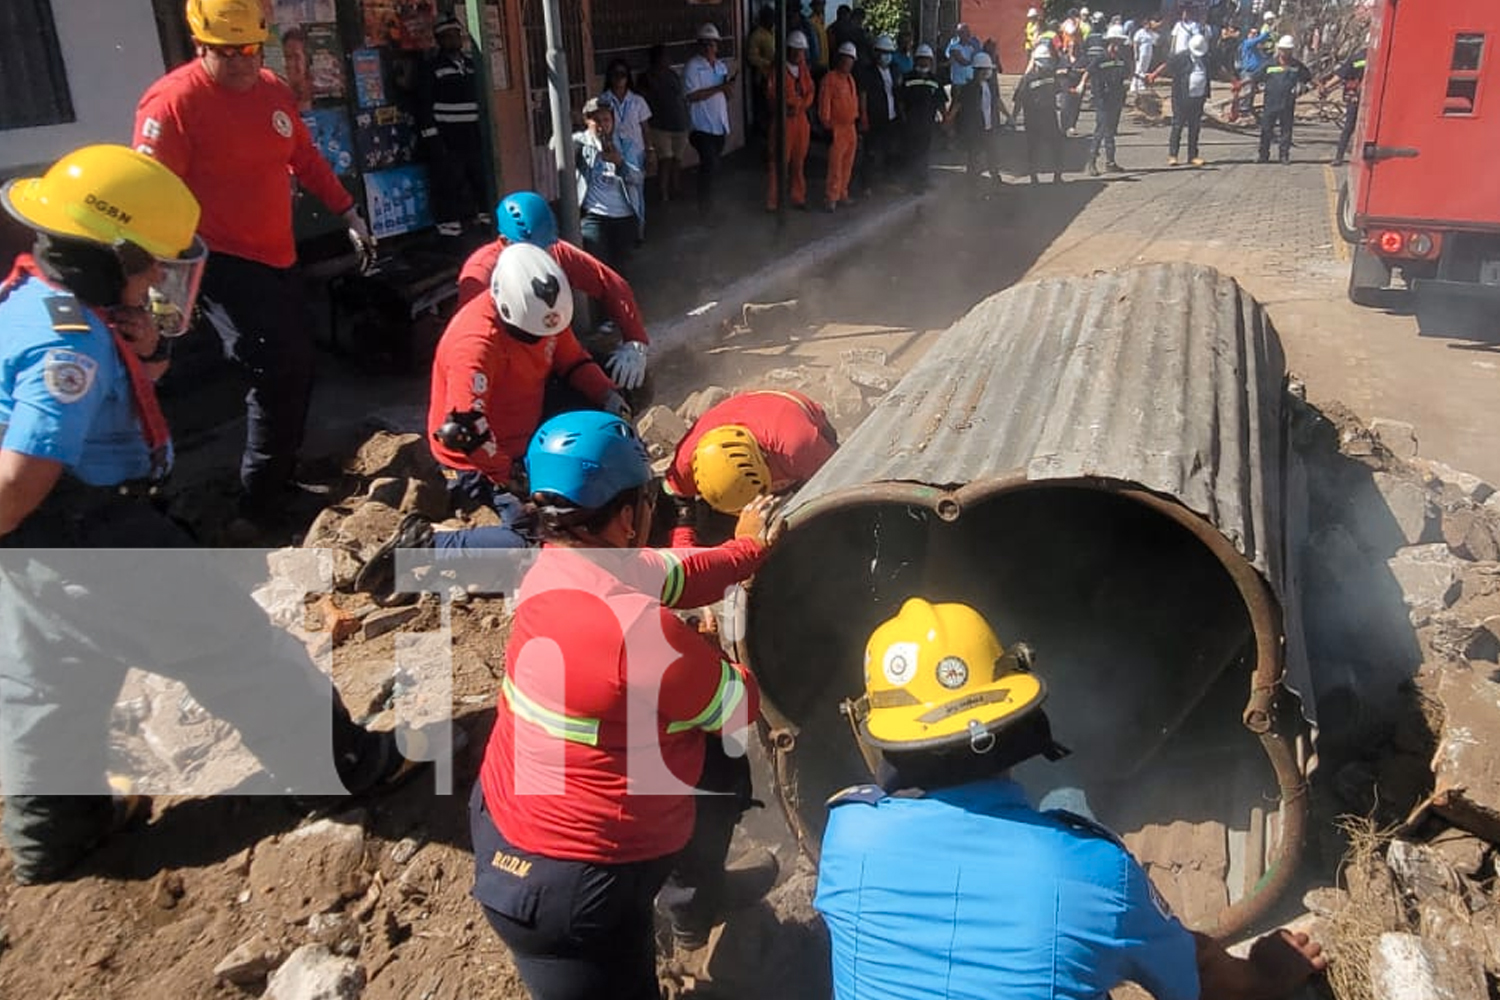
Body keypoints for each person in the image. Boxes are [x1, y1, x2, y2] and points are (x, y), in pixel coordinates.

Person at [0, 145, 422, 884]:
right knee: (237, 650)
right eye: (147, 266)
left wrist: (149, 343)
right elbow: (18, 478)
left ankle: (53, 836)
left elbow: (121, 381)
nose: (157, 280)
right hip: (92, 530)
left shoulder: (36, 300)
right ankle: (348, 766)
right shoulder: (68, 349)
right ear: (109, 256)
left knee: (47, 681)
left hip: (38, 550)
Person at [814, 598, 1329, 1000]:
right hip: (1078, 872)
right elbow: (1203, 985)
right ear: (1020, 721)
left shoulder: (846, 835)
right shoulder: (1093, 871)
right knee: (1067, 797)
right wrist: (1267, 974)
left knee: (1067, 797)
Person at [469, 410, 779, 999]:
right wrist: (713, 653)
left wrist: (745, 552)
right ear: (630, 512)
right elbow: (738, 706)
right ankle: (682, 914)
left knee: (712, 767)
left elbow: (676, 571)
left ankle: (692, 904)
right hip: (573, 888)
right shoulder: (636, 632)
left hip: (507, 823)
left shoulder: (555, 569)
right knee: (721, 754)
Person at [133, 0, 377, 533]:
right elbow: (149, 196)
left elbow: (305, 157)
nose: (242, 62)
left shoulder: (271, 90)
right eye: (227, 51)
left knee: (298, 365)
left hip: (278, 254)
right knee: (274, 370)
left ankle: (280, 475)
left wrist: (347, 211)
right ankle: (257, 507)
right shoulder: (173, 103)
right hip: (220, 258)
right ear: (200, 45)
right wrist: (157, 283)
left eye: (249, 49)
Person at [398, 244, 628, 578]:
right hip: (478, 457)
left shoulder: (540, 313)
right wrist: (510, 477)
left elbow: (572, 358)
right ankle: (424, 547)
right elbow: (464, 431)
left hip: (524, 428)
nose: (540, 339)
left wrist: (608, 394)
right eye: (531, 335)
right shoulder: (476, 343)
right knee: (537, 542)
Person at [457, 192, 650, 395]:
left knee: (632, 386)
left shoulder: (555, 252)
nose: (542, 256)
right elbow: (474, 340)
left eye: (546, 247)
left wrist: (635, 341)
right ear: (505, 242)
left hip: (555, 354)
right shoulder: (480, 273)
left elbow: (611, 284)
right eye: (535, 249)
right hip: (508, 371)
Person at [663, 389, 838, 546]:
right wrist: (684, 550)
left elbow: (838, 483)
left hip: (790, 415)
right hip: (741, 415)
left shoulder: (800, 448)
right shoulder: (686, 461)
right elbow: (678, 502)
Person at [418, 15, 485, 237]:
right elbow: (424, 105)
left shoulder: (471, 65)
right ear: (439, 40)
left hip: (472, 136)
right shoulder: (432, 68)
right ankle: (449, 232)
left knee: (478, 179)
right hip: (448, 138)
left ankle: (483, 222)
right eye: (446, 36)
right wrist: (433, 140)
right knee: (449, 183)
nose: (453, 40)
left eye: (456, 34)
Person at [574, 97, 644, 272]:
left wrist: (620, 163)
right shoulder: (581, 143)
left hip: (624, 215)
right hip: (594, 215)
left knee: (621, 269)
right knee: (599, 267)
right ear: (587, 121)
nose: (601, 125)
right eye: (595, 120)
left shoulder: (625, 143)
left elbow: (637, 178)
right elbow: (554, 145)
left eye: (606, 120)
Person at [683, 23, 735, 218]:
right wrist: (719, 89)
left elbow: (726, 95)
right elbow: (691, 96)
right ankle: (705, 208)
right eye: (705, 44)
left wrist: (728, 88)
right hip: (701, 126)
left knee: (713, 166)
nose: (708, 48)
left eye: (712, 44)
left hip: (719, 125)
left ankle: (710, 204)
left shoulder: (721, 66)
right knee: (709, 164)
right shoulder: (692, 67)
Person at [766, 30, 816, 212]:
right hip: (783, 121)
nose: (798, 54)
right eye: (796, 50)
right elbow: (772, 96)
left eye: (801, 51)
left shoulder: (804, 69)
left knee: (798, 161)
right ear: (788, 49)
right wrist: (787, 105)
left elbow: (810, 91)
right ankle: (774, 201)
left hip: (801, 120)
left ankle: (798, 197)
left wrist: (800, 104)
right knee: (779, 162)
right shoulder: (777, 70)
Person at [1244, 36, 1312, 165]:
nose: (1285, 53)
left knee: (1286, 130)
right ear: (1279, 49)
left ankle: (1284, 155)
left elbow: (1308, 78)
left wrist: (1321, 86)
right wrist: (1240, 85)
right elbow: (1254, 77)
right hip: (1271, 103)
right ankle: (1263, 155)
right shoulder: (1269, 64)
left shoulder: (1297, 66)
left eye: (1288, 50)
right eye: (1283, 50)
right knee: (1266, 129)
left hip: (1287, 103)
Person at [1150, 33, 1213, 166]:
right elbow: (1166, 65)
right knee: (1177, 126)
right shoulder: (1181, 57)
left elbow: (1219, 69)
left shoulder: (1206, 58)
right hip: (1181, 97)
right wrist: (1154, 74)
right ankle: (1173, 155)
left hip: (1198, 98)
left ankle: (1193, 156)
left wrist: (1234, 81)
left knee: (1195, 127)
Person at [951, 51, 1008, 196]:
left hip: (989, 128)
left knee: (992, 154)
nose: (989, 72)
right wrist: (948, 120)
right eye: (986, 69)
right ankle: (973, 185)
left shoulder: (990, 86)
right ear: (979, 70)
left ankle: (995, 179)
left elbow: (997, 101)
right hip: (974, 129)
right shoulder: (968, 88)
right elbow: (958, 105)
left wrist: (1008, 116)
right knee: (974, 157)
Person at [639, 44, 689, 204]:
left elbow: (681, 97)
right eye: (665, 56)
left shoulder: (672, 75)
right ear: (657, 58)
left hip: (679, 123)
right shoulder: (646, 77)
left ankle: (676, 189)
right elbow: (642, 100)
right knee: (665, 159)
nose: (668, 59)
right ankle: (663, 193)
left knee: (677, 159)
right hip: (660, 125)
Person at [855, 35, 904, 196]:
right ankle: (866, 184)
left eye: (889, 52)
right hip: (874, 116)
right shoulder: (867, 72)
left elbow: (898, 90)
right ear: (875, 53)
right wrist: (863, 116)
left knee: (891, 149)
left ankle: (888, 179)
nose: (886, 56)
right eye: (883, 52)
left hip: (891, 116)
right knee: (871, 152)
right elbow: (863, 94)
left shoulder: (894, 69)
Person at [819, 42, 863, 212]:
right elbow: (825, 105)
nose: (848, 62)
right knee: (835, 166)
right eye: (845, 59)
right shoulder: (830, 79)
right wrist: (827, 126)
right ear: (839, 59)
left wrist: (857, 123)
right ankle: (831, 197)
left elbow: (854, 102)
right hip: (836, 128)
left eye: (850, 59)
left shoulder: (850, 79)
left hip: (850, 127)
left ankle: (842, 193)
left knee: (847, 164)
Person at [1082, 24, 1132, 175]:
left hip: (1116, 99)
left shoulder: (1122, 59)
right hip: (1102, 100)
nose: (1118, 45)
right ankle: (1091, 162)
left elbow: (1127, 75)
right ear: (1110, 42)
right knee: (1101, 130)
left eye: (1120, 42)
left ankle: (1110, 162)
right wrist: (1081, 85)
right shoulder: (1100, 58)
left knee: (1110, 131)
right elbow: (1087, 72)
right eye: (1116, 42)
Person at [899, 43, 948, 193]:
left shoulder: (935, 80)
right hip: (911, 123)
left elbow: (941, 102)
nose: (924, 62)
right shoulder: (907, 78)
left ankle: (923, 180)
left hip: (927, 123)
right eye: (921, 59)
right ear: (916, 60)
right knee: (912, 153)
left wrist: (946, 120)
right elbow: (900, 101)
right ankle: (913, 183)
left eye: (927, 59)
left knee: (924, 152)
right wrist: (903, 118)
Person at [1016, 42, 1066, 184]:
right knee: (1034, 148)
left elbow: (1058, 92)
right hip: (1033, 119)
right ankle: (1033, 176)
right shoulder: (1027, 79)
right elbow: (1019, 99)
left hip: (1049, 116)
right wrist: (1013, 118)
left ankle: (1057, 175)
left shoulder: (1051, 75)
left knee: (1056, 146)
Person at [1323, 45, 1368, 166]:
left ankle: (1339, 157)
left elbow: (1340, 75)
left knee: (1348, 127)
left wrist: (1326, 87)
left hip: (1354, 98)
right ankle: (1363, 155)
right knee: (1367, 128)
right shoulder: (1380, 58)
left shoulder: (1356, 58)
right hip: (1370, 99)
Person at [747, 6, 777, 143]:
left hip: (775, 76)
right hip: (763, 77)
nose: (772, 21)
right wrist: (768, 63)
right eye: (769, 18)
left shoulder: (773, 32)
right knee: (763, 105)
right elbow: (752, 57)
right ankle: (763, 133)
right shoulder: (757, 35)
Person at [1236, 16, 1276, 118]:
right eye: (1252, 33)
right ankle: (1242, 109)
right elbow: (1260, 39)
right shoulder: (1247, 43)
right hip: (1247, 71)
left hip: (1256, 72)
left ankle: (1248, 108)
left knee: (1253, 91)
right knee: (1248, 91)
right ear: (1248, 34)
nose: (1254, 35)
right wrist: (1268, 31)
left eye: (1255, 33)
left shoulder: (1258, 49)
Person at [1057, 22, 1086, 136]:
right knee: (1064, 107)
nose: (1072, 49)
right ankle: (1063, 128)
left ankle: (1072, 126)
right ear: (1067, 48)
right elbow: (1056, 71)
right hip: (1065, 85)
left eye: (1074, 47)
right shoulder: (1063, 59)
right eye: (1070, 47)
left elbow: (1086, 70)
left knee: (1075, 106)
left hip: (1077, 84)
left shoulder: (1082, 59)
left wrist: (1078, 72)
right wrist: (1063, 71)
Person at [1131, 16, 1162, 94]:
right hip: (1141, 52)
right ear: (1143, 25)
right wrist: (1136, 53)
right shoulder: (1140, 32)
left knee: (1144, 69)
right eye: (1146, 24)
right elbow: (1135, 43)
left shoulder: (1151, 33)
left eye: (1148, 24)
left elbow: (1157, 40)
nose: (1147, 26)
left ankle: (1141, 84)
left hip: (1149, 52)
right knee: (1138, 69)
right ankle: (1134, 85)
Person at [946, 22, 979, 92]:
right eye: (964, 32)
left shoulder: (971, 47)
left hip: (970, 80)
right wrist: (974, 59)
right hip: (958, 82)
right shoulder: (954, 47)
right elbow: (963, 62)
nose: (967, 34)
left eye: (968, 32)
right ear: (958, 33)